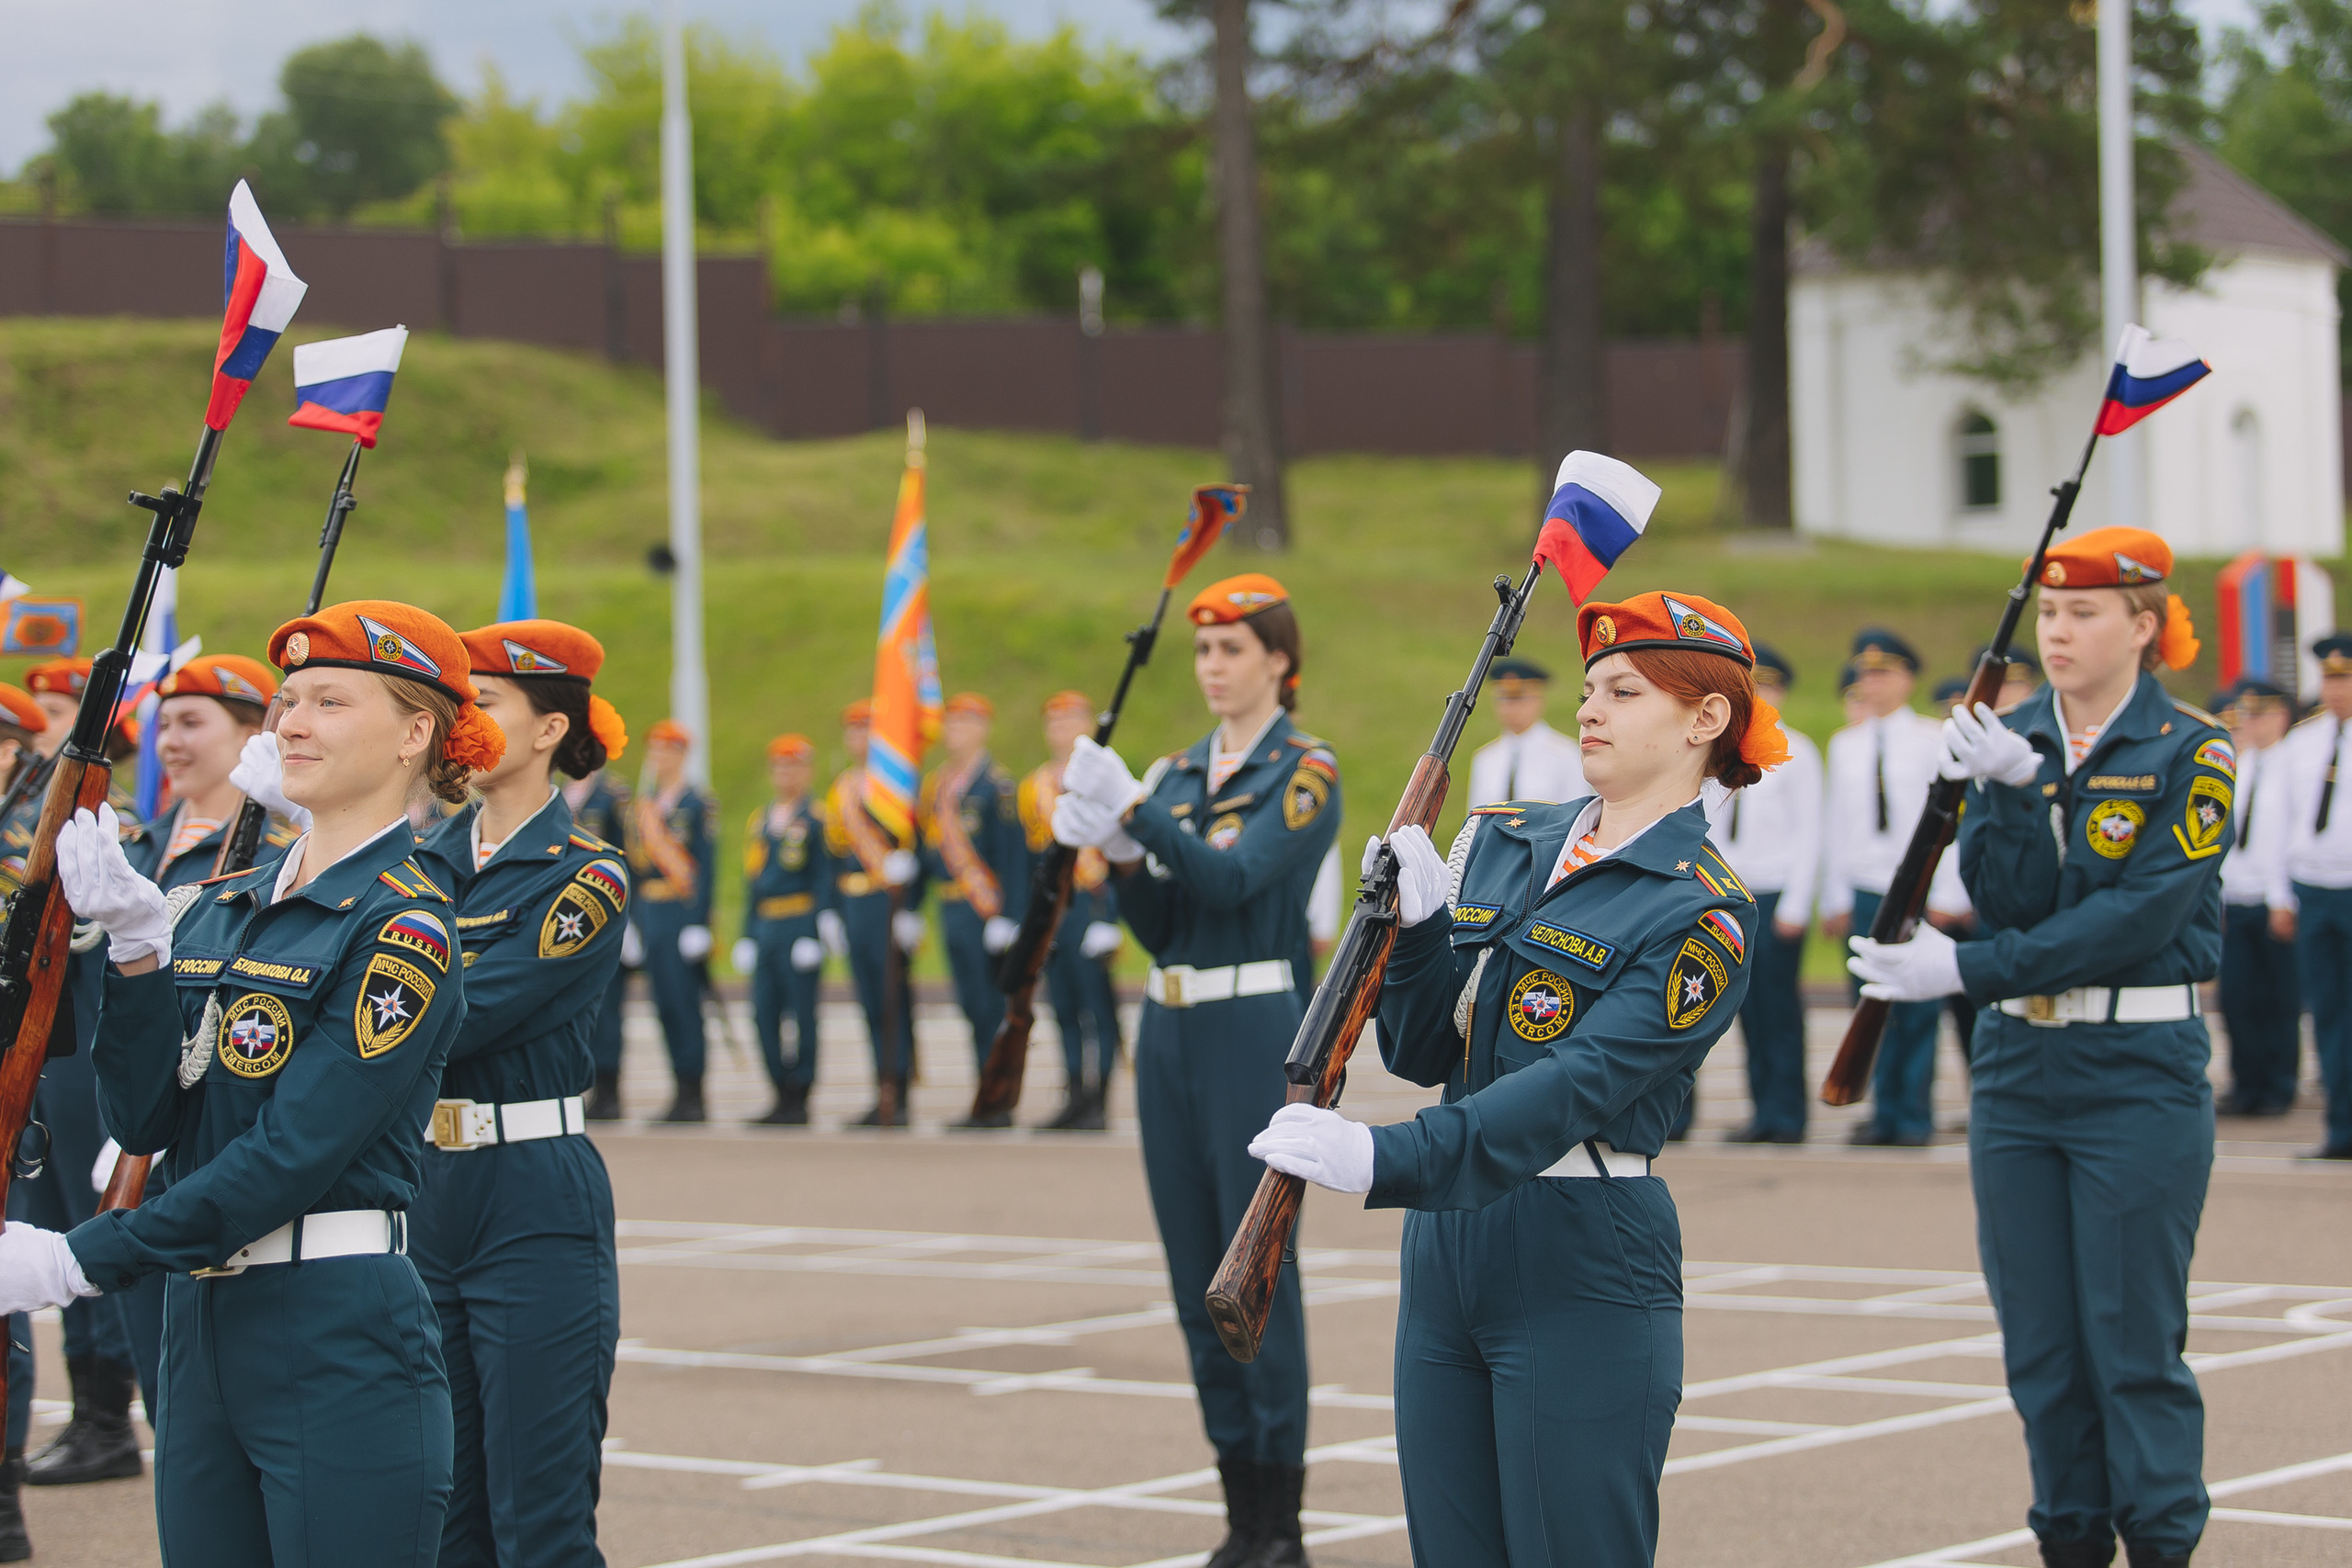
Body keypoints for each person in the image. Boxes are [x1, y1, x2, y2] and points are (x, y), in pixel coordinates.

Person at [1252, 587, 1773, 1567]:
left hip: (1582, 1252)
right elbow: (1422, 1051)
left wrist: (1383, 1155)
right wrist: (1409, 937)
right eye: (1589, 689)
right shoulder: (1502, 837)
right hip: (1449, 1248)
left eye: (1623, 690)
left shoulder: (1703, 913)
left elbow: (1574, 1087)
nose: (1589, 709)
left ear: (1706, 719)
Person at [6, 598, 501, 1565]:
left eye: (329, 700)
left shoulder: (403, 929)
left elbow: (291, 1154)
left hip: (333, 1324)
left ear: (414, 733)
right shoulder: (216, 908)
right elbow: (146, 1116)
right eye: (288, 701)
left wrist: (78, 1258)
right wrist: (141, 949)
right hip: (199, 1321)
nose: (294, 724)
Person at [1853, 527, 2224, 1568]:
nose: (2056, 633)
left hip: (2136, 1074)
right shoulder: (2005, 734)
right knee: (2045, 1354)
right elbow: (2010, 900)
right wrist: (2017, 788)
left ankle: (2158, 1544)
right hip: (2019, 1076)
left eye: (2084, 614)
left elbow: (2138, 920)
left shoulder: (2191, 750)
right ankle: (2067, 1541)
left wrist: (1965, 971)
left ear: (2142, 626)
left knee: (2132, 1349)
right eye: (2048, 615)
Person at [1051, 571, 1339, 1567]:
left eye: (1233, 650)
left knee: (1252, 1278)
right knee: (1189, 1283)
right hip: (1170, 1036)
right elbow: (1168, 927)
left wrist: (1137, 812)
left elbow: (1229, 883)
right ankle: (1240, 1516)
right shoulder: (1177, 772)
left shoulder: (1304, 772)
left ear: (1278, 662)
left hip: (1254, 1032)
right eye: (1203, 650)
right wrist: (1121, 857)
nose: (1213, 667)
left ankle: (1285, 1526)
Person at [409, 617, 630, 1568]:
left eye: (485, 702)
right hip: (421, 1193)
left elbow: (457, 1013)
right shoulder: (412, 866)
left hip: (530, 1194)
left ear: (547, 730)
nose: (465, 721)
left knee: (537, 1520)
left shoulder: (584, 875)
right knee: (444, 1511)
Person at [73, 657, 297, 1482]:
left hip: (220, 1130)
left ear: (251, 735)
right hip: (132, 1107)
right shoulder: (141, 843)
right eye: (164, 722)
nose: (170, 740)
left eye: (193, 721)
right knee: (168, 1382)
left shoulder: (282, 844)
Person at [1820, 629, 1971, 1145]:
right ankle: (1883, 1111)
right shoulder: (1845, 744)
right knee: (1870, 1003)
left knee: (1917, 1007)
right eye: (1866, 674)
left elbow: (1951, 822)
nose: (1874, 684)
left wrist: (1950, 895)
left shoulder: (1933, 740)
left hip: (1918, 889)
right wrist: (1835, 896)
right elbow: (1837, 826)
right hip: (1865, 887)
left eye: (1884, 674)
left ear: (1908, 678)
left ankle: (1913, 1115)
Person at [1718, 642, 1823, 1144]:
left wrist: (1799, 904)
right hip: (1729, 896)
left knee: (1779, 1009)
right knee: (1745, 1010)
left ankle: (1788, 1114)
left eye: (1769, 687)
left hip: (1777, 895)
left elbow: (1809, 834)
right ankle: (1763, 1111)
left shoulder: (1798, 751)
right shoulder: (1722, 749)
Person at [1015, 692, 1125, 1131]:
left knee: (1097, 1008)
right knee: (1062, 1005)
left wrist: (1109, 919)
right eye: (1053, 722)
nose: (1060, 730)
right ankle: (1074, 1094)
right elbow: (1028, 860)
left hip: (1091, 905)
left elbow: (1119, 854)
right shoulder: (1033, 787)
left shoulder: (1105, 779)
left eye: (1069, 721)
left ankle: (1100, 1099)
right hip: (1055, 910)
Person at [2262, 634, 2352, 1158]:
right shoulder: (2302, 742)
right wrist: (2280, 895)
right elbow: (2280, 826)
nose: (2336, 689)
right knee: (2328, 1014)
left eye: (2346, 679)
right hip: (2313, 891)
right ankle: (2341, 1130)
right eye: (2332, 678)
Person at [816, 702, 926, 1126]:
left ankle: (898, 1090)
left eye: (865, 731)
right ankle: (879, 1086)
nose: (857, 739)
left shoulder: (895, 786)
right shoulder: (841, 788)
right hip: (854, 903)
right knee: (867, 1000)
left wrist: (911, 905)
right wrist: (830, 912)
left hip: (887, 903)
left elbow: (916, 847)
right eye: (852, 732)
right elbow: (832, 855)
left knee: (892, 998)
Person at [919, 694, 1024, 1077]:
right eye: (951, 723)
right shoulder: (938, 786)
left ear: (983, 729)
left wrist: (1009, 915)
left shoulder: (997, 786)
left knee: (989, 1006)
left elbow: (1014, 856)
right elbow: (927, 852)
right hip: (951, 907)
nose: (955, 732)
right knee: (968, 1004)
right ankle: (983, 1089)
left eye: (965, 723)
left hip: (984, 909)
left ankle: (996, 1093)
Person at [736, 734, 832, 1126]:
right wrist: (747, 932)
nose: (785, 774)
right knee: (763, 1013)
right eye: (779, 766)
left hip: (798, 921)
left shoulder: (815, 819)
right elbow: (752, 882)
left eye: (793, 766)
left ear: (807, 771)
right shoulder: (762, 820)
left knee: (802, 1013)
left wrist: (816, 929)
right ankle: (778, 1089)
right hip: (767, 926)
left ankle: (801, 1093)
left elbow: (823, 876)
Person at [623, 719, 715, 1122]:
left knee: (684, 1003)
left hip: (681, 911)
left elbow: (706, 868)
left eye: (666, 751)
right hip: (651, 912)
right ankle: (679, 1087)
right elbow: (636, 868)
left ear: (681, 755)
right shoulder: (645, 807)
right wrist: (634, 921)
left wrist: (699, 921)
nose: (658, 759)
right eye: (654, 751)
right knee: (662, 1004)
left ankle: (694, 1090)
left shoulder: (696, 804)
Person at [2215, 679, 2298, 1116]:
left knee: (2278, 1000)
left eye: (2260, 714)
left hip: (2274, 901)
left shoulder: (2293, 765)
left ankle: (2278, 1086)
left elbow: (2289, 841)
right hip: (2238, 898)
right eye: (2248, 714)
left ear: (2282, 716)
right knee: (2238, 999)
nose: (2252, 723)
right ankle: (2245, 1084)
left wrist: (2282, 899)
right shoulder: (2241, 766)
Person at [563, 766, 633, 1120]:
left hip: (605, 911)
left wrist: (631, 916)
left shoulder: (612, 795)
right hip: (567, 917)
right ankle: (580, 1083)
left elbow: (627, 853)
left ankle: (609, 1088)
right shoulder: (557, 792)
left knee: (606, 1008)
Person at [1464, 658, 1586, 807]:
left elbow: (1578, 813)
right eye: (1503, 698)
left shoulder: (1565, 753)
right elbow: (1475, 821)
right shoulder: (1485, 758)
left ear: (1538, 700)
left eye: (1518, 698)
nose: (1510, 707)